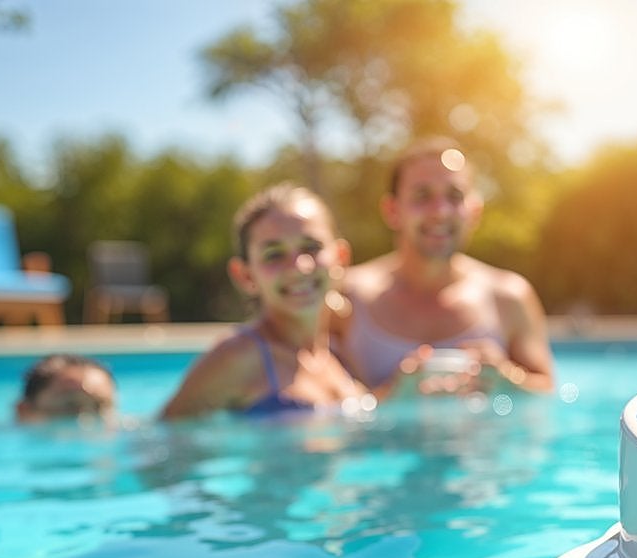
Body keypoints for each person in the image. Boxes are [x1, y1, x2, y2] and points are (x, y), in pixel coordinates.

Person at [332, 137, 555, 395]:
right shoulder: (347, 298)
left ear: (474, 211)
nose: (440, 211)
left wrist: (508, 378)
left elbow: (548, 394)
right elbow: (320, 399)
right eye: (422, 195)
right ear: (392, 210)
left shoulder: (508, 296)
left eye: (454, 196)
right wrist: (392, 394)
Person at [160, 183, 372, 419]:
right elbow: (162, 442)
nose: (298, 267)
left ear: (340, 258)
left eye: (311, 247)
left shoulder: (335, 359)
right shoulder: (239, 356)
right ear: (245, 275)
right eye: (274, 254)